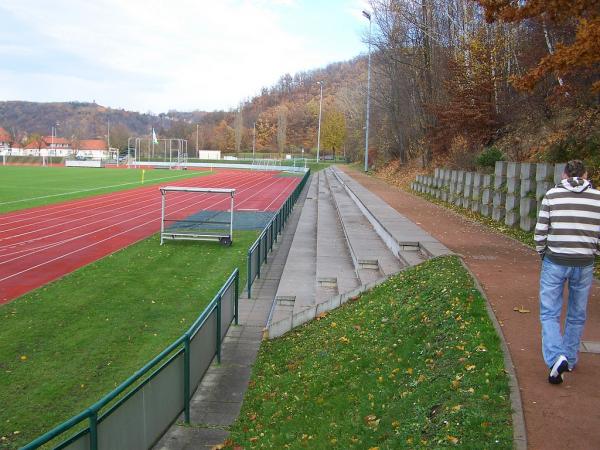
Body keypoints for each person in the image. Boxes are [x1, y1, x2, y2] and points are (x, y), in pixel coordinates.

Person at [535, 160, 600, 384]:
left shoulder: (552, 195)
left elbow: (541, 230)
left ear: (564, 174)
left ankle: (555, 357)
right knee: (577, 313)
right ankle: (570, 358)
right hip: (584, 261)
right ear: (586, 174)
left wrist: (543, 252)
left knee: (549, 312)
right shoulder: (598, 198)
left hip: (555, 259)